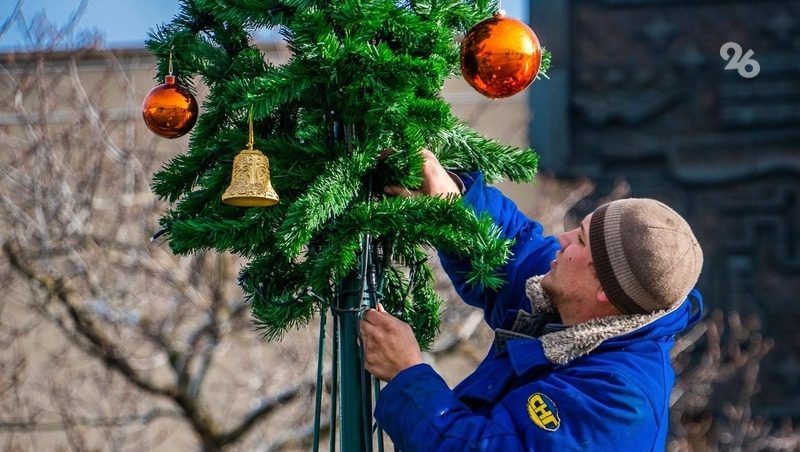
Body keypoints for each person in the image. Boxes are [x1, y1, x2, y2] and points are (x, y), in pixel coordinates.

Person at [359, 150, 704, 451]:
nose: (562, 239)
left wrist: (408, 374)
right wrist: (452, 201)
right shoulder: (575, 293)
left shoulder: (615, 405)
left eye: (580, 241)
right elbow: (514, 251)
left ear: (604, 289)